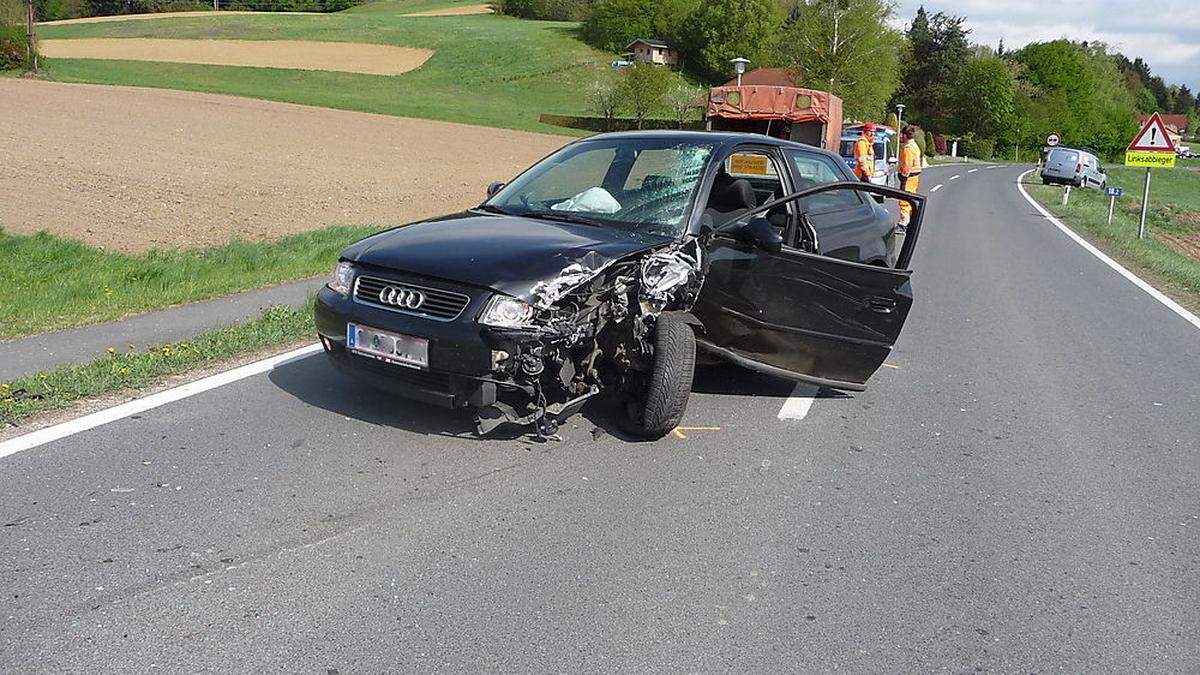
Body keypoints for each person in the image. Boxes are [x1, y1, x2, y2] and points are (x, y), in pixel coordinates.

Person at [896, 124, 923, 234]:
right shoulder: (915, 146)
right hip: (914, 177)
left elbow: (907, 165)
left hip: (909, 178)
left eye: (901, 135)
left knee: (904, 200)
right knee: (910, 199)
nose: (900, 137)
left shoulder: (907, 148)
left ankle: (903, 224)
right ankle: (910, 223)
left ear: (905, 135)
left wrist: (903, 177)